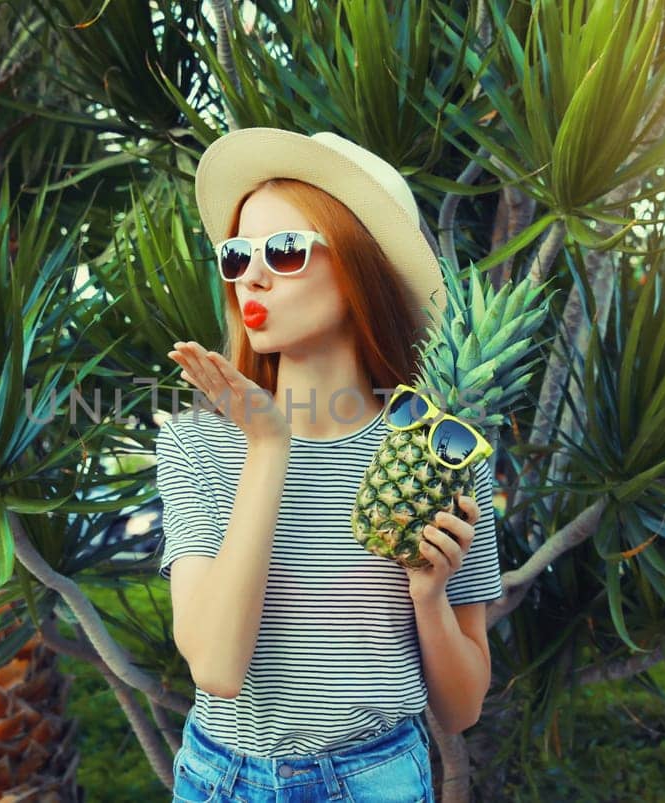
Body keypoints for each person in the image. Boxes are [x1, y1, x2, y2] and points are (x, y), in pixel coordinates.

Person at [156, 128, 503, 802]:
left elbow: (462, 709)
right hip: (218, 779)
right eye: (237, 254)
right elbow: (217, 666)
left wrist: (429, 597)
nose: (250, 275)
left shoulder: (436, 455)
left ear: (358, 268)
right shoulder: (197, 444)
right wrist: (268, 447)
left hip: (374, 780)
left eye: (284, 251)